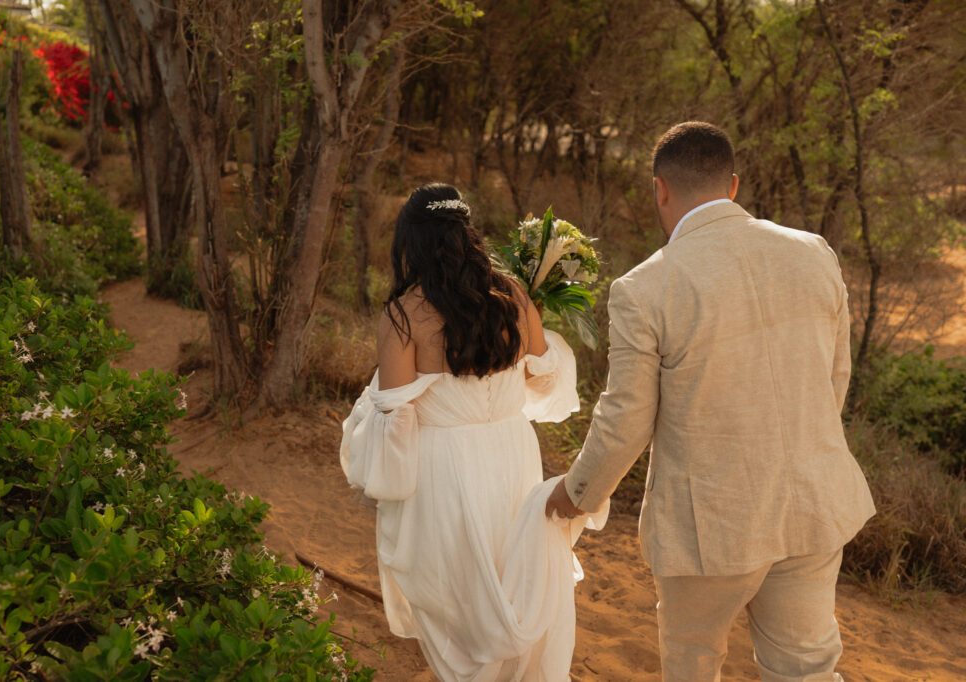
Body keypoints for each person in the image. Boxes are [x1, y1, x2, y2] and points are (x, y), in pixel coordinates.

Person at [546, 121, 876, 682]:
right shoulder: (814, 253)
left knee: (693, 666)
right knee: (807, 669)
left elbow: (626, 420)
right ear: (733, 184)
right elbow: (833, 381)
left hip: (710, 527)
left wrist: (576, 493)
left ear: (660, 189)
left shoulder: (644, 288)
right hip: (811, 505)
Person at [340, 183, 607, 681]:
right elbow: (543, 375)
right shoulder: (511, 294)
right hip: (511, 453)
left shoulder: (404, 315)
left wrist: (381, 477)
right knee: (510, 570)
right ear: (466, 231)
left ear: (411, 242)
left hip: (446, 466)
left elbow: (397, 414)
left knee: (457, 589)